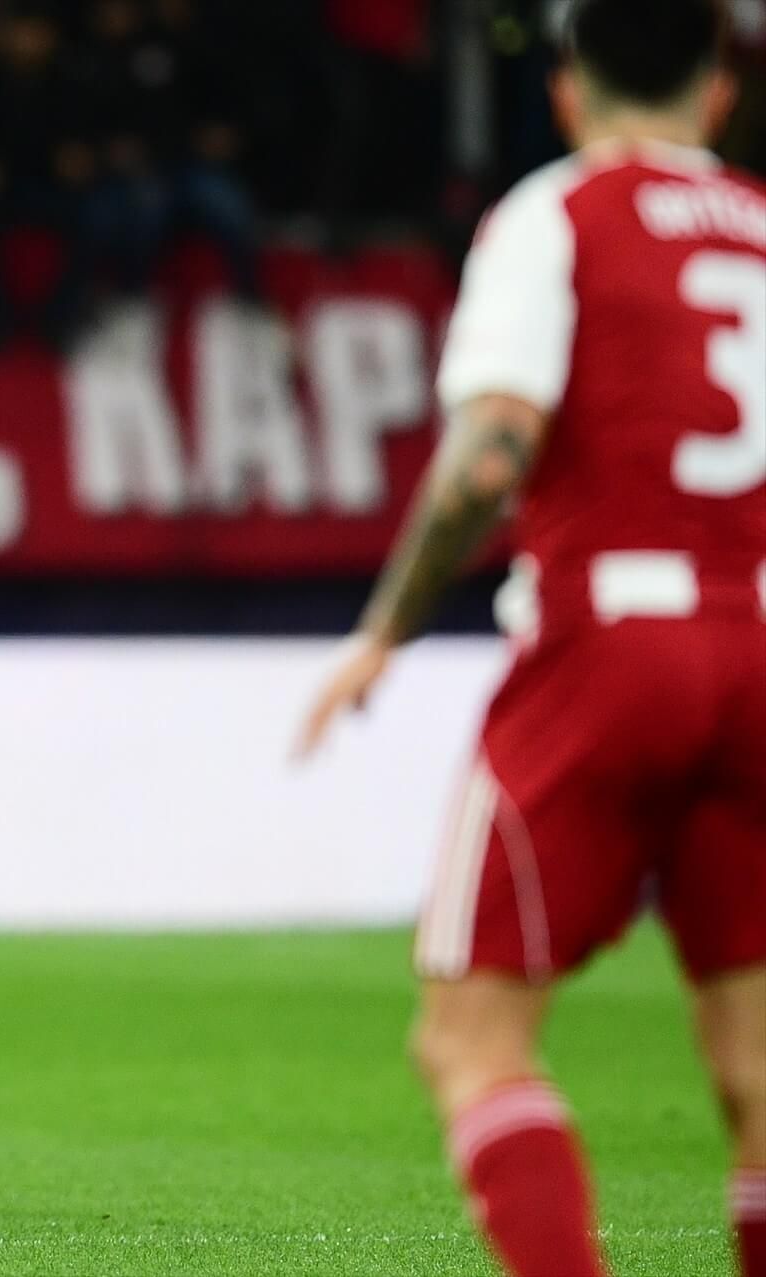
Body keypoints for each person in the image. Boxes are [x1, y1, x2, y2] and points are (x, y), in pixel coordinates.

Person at [297, 3, 765, 1274]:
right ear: (720, 92)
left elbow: (493, 445)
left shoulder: (555, 216)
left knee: (471, 1036)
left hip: (610, 646)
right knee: (752, 1064)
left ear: (564, 90)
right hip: (758, 644)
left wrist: (386, 630)